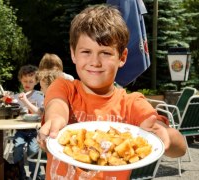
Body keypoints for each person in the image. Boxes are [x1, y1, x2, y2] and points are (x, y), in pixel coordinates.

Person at [38, 4, 187, 180]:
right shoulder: (63, 87)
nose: (95, 62)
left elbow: (181, 147)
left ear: (122, 58)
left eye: (106, 53)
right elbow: (57, 106)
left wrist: (165, 136)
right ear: (73, 54)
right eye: (86, 51)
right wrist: (56, 121)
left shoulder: (132, 103)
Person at [12, 65, 44, 180]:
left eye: (31, 81)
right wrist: (9, 102)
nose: (27, 83)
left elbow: (40, 113)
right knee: (17, 148)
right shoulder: (16, 97)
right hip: (21, 129)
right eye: (25, 81)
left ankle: (36, 175)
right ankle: (20, 175)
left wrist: (25, 101)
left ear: (36, 82)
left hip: (35, 130)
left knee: (33, 150)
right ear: (20, 80)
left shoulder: (39, 96)